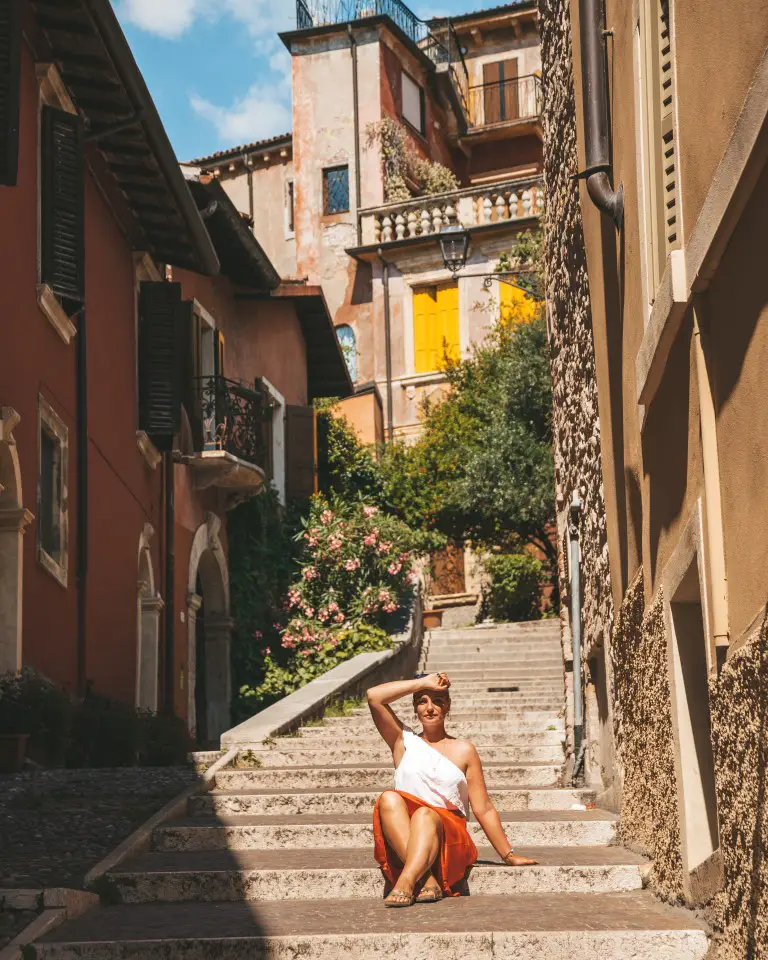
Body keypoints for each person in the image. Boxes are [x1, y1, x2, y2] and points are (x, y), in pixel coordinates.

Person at [367, 671, 537, 908]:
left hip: (449, 839)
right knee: (388, 798)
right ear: (415, 709)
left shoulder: (464, 750)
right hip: (406, 836)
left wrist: (508, 854)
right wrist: (423, 683)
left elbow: (483, 808)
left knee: (425, 814)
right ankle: (427, 878)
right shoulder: (402, 742)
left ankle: (407, 880)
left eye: (437, 701)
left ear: (447, 707)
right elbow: (374, 696)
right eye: (422, 701)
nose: (429, 708)